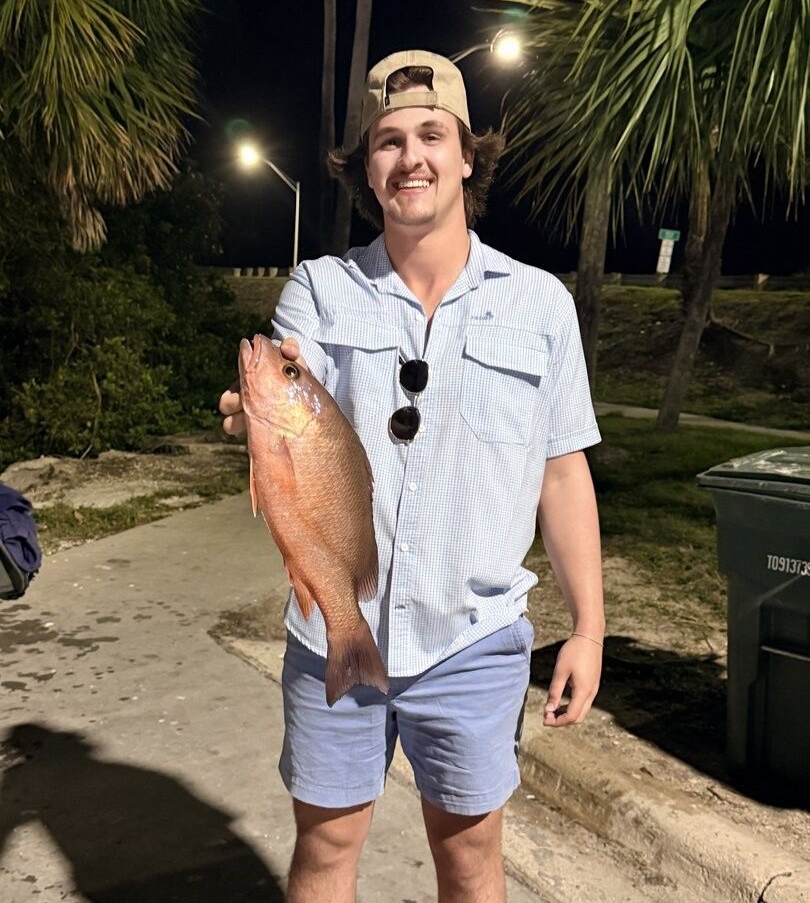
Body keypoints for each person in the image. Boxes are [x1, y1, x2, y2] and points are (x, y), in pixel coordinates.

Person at [220, 49, 605, 903]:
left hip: (474, 636)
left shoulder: (540, 304)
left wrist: (589, 626)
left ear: (468, 155)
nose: (411, 157)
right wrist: (258, 416)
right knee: (326, 847)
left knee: (469, 859)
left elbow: (562, 470)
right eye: (388, 141)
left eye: (433, 134)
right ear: (366, 168)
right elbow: (295, 392)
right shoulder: (320, 289)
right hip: (333, 628)